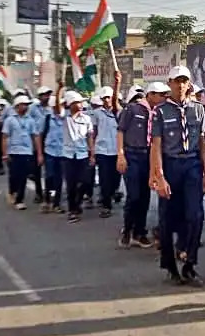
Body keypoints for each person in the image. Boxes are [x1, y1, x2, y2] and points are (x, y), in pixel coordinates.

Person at [151, 65, 205, 287]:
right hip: (171, 165)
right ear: (169, 83)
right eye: (176, 81)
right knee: (167, 220)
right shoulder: (160, 112)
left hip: (192, 165)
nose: (180, 85)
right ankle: (169, 266)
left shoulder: (198, 109)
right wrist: (159, 176)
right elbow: (156, 146)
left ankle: (190, 265)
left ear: (189, 83)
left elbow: (203, 144)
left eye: (184, 81)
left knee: (196, 216)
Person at [117, 82, 167, 248]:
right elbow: (121, 131)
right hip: (132, 155)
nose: (163, 98)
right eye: (160, 95)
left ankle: (140, 232)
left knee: (145, 196)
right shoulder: (133, 109)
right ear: (151, 94)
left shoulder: (158, 113)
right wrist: (121, 155)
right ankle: (127, 230)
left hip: (149, 156)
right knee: (134, 195)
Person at [1, 95, 44, 211]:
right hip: (13, 151)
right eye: (24, 104)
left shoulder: (30, 120)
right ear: (17, 106)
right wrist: (5, 154)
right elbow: (4, 137)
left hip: (26, 152)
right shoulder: (10, 120)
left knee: (24, 176)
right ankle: (12, 191)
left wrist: (39, 153)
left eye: (27, 105)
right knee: (14, 175)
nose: (26, 107)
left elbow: (35, 137)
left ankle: (20, 200)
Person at [60, 89, 95, 223]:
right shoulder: (65, 117)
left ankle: (78, 203)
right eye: (77, 102)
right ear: (70, 104)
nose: (80, 105)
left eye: (81, 102)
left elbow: (90, 137)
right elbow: (58, 108)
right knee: (71, 184)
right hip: (68, 155)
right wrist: (60, 89)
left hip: (82, 154)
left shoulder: (86, 118)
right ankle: (72, 210)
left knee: (85, 181)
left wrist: (92, 154)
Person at [91, 85, 122, 218]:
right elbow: (93, 132)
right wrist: (92, 151)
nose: (107, 100)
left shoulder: (120, 113)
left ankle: (111, 193)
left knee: (116, 178)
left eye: (109, 97)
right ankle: (106, 205)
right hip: (102, 150)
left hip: (116, 150)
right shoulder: (97, 113)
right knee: (104, 178)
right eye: (104, 98)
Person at [41, 94, 66, 214]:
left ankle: (56, 203)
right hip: (49, 151)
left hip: (62, 152)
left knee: (59, 179)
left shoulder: (65, 118)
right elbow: (41, 135)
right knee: (49, 176)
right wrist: (40, 154)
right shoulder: (47, 119)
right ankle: (46, 200)